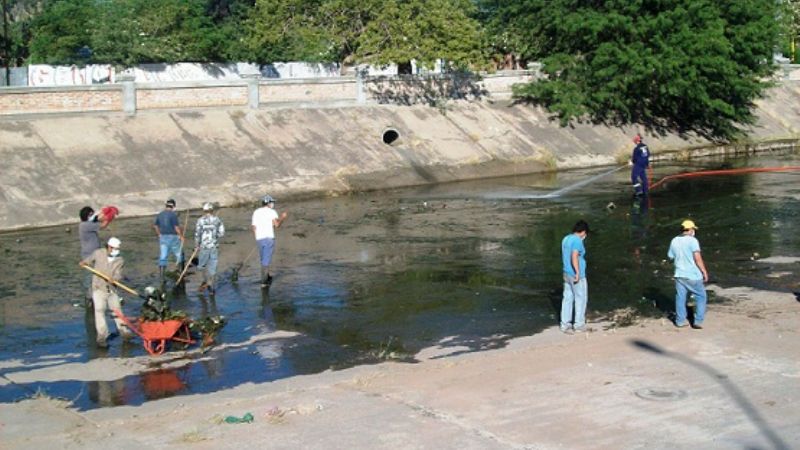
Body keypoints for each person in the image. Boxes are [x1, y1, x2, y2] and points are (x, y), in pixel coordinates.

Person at [79, 237, 132, 348]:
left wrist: (114, 278)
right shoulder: (98, 253)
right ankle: (102, 337)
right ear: (109, 247)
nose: (116, 250)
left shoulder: (120, 260)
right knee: (99, 311)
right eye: (114, 248)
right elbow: (88, 260)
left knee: (117, 311)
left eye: (117, 249)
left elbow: (118, 274)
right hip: (98, 287)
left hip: (111, 289)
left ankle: (124, 332)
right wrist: (84, 262)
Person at [668, 220, 709, 329]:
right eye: (693, 229)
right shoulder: (693, 241)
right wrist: (704, 271)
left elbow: (670, 256)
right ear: (690, 230)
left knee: (680, 297)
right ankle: (698, 321)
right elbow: (697, 258)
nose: (694, 231)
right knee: (701, 296)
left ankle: (680, 321)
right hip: (693, 275)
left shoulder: (674, 240)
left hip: (679, 274)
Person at [251, 195, 288, 287]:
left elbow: (254, 227)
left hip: (259, 239)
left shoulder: (256, 212)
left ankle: (267, 277)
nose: (273, 204)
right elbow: (277, 225)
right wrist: (282, 217)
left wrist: (257, 237)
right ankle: (264, 282)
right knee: (266, 261)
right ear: (268, 203)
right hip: (268, 238)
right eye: (272, 202)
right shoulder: (272, 212)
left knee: (263, 259)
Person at [560, 220, 590, 333]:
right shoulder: (577, 241)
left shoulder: (566, 238)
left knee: (567, 298)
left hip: (566, 272)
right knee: (581, 298)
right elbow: (574, 256)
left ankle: (565, 325)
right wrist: (577, 272)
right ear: (583, 232)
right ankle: (579, 324)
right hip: (577, 275)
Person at [78, 206, 111, 305]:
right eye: (91, 214)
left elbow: (97, 218)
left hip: (94, 253)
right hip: (89, 255)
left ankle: (99, 294)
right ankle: (90, 298)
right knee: (90, 277)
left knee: (99, 274)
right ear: (86, 216)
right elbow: (103, 225)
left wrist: (103, 212)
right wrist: (110, 216)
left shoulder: (87, 224)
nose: (92, 216)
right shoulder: (86, 225)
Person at [194, 202, 225, 295]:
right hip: (214, 246)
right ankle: (211, 288)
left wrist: (196, 245)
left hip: (204, 246)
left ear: (204, 210)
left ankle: (204, 281)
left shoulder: (200, 220)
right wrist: (215, 236)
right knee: (213, 268)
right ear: (212, 210)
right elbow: (222, 233)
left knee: (201, 266)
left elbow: (197, 234)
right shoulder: (217, 220)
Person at [153, 198, 184, 282]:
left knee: (163, 256)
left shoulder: (160, 214)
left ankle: (162, 276)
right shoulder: (173, 215)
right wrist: (181, 236)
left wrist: (159, 234)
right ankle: (181, 272)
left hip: (163, 237)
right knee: (179, 254)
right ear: (173, 206)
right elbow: (176, 228)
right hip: (173, 237)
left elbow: (155, 226)